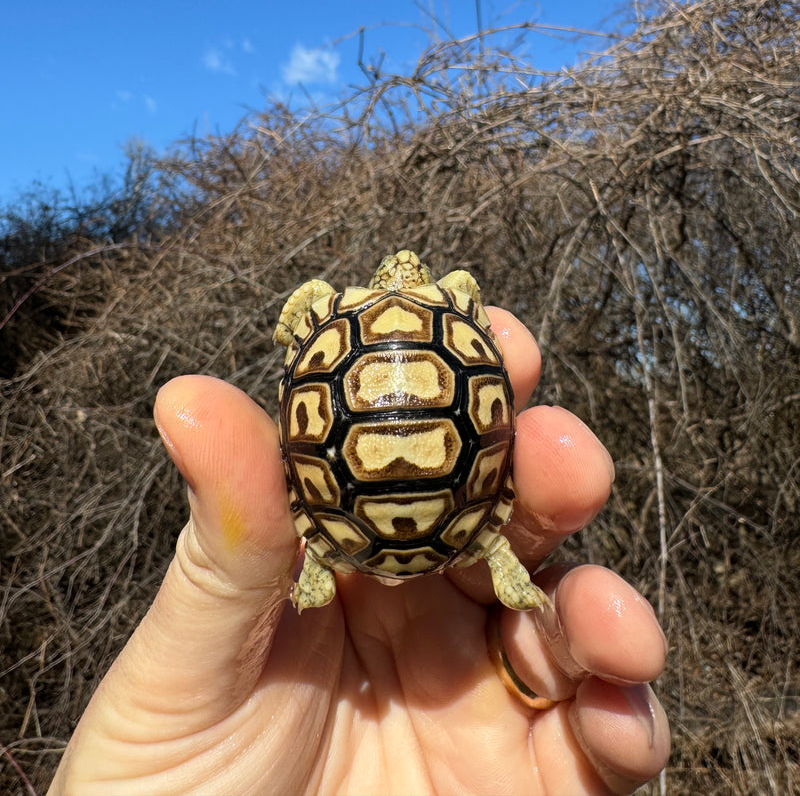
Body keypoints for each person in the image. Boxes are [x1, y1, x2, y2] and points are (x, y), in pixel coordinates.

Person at [48, 309, 670, 795]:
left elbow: (300, 323)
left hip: (345, 522)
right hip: (457, 524)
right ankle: (492, 555)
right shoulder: (451, 309)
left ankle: (327, 557)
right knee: (525, 531)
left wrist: (299, 319)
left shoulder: (334, 314)